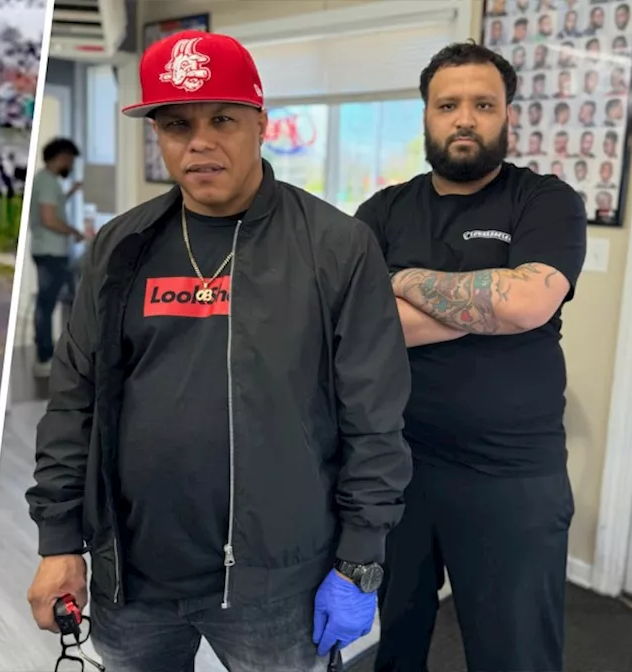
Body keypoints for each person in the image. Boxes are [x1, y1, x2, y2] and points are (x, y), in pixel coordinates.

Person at [25, 30, 413, 672]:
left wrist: (359, 559)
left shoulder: (337, 248)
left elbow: (375, 418)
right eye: (176, 123)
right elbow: (73, 402)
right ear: (158, 134)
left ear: (260, 123)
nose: (198, 141)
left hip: (279, 586)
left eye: (222, 119)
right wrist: (59, 539)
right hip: (133, 576)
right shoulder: (121, 247)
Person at [352, 42, 586, 672]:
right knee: (393, 645)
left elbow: (527, 304)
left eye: (483, 104)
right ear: (425, 115)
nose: (465, 118)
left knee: (514, 653)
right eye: (447, 104)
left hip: (512, 475)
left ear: (507, 114)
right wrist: (487, 306)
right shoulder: (382, 211)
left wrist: (398, 280)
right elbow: (356, 326)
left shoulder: (545, 201)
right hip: (395, 465)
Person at [28, 137, 86, 378]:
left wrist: (71, 193)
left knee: (48, 303)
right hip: (51, 252)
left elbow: (53, 207)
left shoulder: (45, 181)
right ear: (61, 158)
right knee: (47, 305)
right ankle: (44, 358)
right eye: (70, 161)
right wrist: (75, 232)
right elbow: (49, 219)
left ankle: (48, 354)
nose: (71, 166)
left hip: (48, 251)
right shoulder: (48, 182)